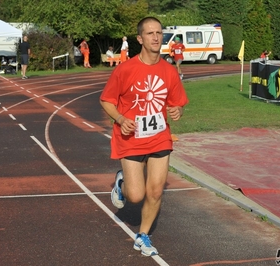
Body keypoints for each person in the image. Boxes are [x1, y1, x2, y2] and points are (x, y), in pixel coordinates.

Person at [100, 16, 189, 256]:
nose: (156, 37)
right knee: (136, 195)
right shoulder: (125, 69)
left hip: (159, 137)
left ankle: (143, 236)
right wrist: (120, 119)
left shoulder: (169, 71)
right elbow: (106, 100)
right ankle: (123, 181)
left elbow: (177, 103)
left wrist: (177, 110)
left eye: (159, 33)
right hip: (131, 138)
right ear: (140, 39)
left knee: (156, 191)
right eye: (150, 33)